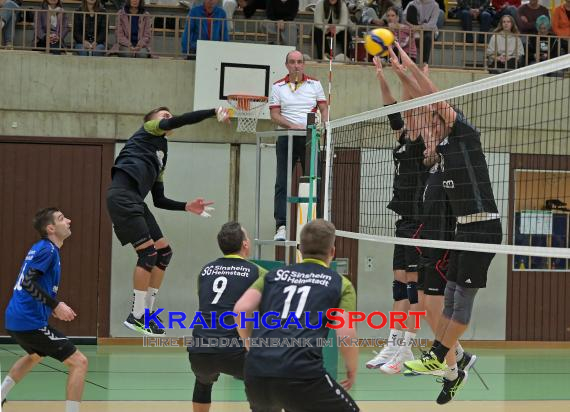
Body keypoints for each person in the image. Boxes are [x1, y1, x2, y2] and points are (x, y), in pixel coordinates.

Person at [392, 42, 502, 404]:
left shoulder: (464, 136)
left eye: (433, 123)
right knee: (450, 298)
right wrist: (398, 72)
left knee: (460, 302)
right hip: (463, 231)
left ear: (444, 121)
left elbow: (433, 96)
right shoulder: (437, 150)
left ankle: (438, 357)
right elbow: (420, 108)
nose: (428, 130)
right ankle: (453, 361)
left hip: (483, 226)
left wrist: (406, 64)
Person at [107, 106, 231, 336]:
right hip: (122, 196)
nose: (169, 118)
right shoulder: (147, 130)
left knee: (164, 253)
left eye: (170, 115)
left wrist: (186, 206)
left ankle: (146, 314)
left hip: (137, 201)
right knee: (148, 254)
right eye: (164, 115)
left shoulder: (161, 154)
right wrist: (213, 111)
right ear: (152, 121)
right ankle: (136, 315)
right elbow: (181, 120)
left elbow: (159, 199)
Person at [235, 219, 360, 412]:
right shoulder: (340, 283)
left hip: (256, 372)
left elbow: (241, 309)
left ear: (300, 249)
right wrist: (351, 367)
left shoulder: (272, 275)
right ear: (332, 251)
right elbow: (345, 333)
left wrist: (249, 345)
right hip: (302, 375)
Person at [364, 55, 428, 374]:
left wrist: (404, 73)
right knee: (399, 285)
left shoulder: (420, 139)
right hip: (402, 219)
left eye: (411, 111)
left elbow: (414, 103)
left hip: (419, 220)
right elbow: (392, 107)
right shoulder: (402, 138)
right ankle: (391, 346)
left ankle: (405, 350)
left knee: (415, 287)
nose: (407, 114)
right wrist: (381, 75)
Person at [1, 208, 89, 412]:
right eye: (61, 218)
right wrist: (56, 305)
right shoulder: (47, 250)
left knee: (35, 355)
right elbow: (28, 283)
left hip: (17, 318)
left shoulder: (43, 248)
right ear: (51, 228)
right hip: (27, 320)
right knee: (79, 362)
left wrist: (52, 305)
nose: (68, 220)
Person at [188, 222, 265, 412]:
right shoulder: (256, 272)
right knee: (264, 382)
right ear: (245, 245)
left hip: (199, 351)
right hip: (235, 352)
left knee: (203, 382)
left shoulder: (205, 271)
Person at [270, 50, 328, 241]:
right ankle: (281, 226)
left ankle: (317, 225)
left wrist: (324, 126)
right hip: (287, 136)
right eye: (292, 62)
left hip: (309, 138)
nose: (296, 65)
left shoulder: (315, 84)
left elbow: (323, 108)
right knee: (282, 182)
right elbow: (275, 115)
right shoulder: (278, 86)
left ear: (304, 64)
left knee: (315, 180)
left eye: (300, 62)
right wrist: (293, 126)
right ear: (287, 65)